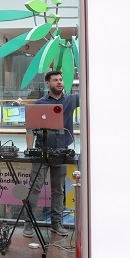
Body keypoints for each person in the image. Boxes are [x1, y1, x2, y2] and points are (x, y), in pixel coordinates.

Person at [24, 70, 80, 236]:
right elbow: (30, 128)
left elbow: (89, 93)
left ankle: (57, 223)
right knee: (34, 188)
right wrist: (30, 149)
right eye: (55, 80)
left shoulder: (71, 100)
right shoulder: (39, 103)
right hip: (41, 151)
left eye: (61, 79)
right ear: (48, 83)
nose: (59, 82)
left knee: (58, 190)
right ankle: (29, 224)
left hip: (62, 152)